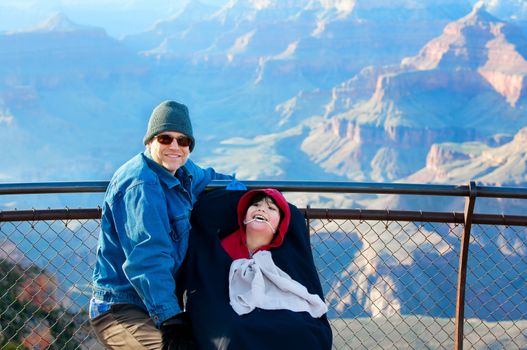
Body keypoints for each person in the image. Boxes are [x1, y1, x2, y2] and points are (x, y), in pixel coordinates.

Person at [89, 100, 232, 349]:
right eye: (165, 139)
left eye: (183, 140)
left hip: (159, 303)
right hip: (121, 307)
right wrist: (172, 321)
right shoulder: (141, 184)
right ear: (150, 142)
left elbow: (214, 180)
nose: (175, 146)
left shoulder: (184, 172)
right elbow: (147, 258)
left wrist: (260, 199)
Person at [178, 188, 333, 350]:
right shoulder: (216, 251)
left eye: (272, 208)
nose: (262, 209)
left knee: (302, 331)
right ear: (243, 216)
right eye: (255, 205)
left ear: (280, 223)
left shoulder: (288, 259)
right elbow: (206, 208)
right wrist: (243, 191)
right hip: (230, 323)